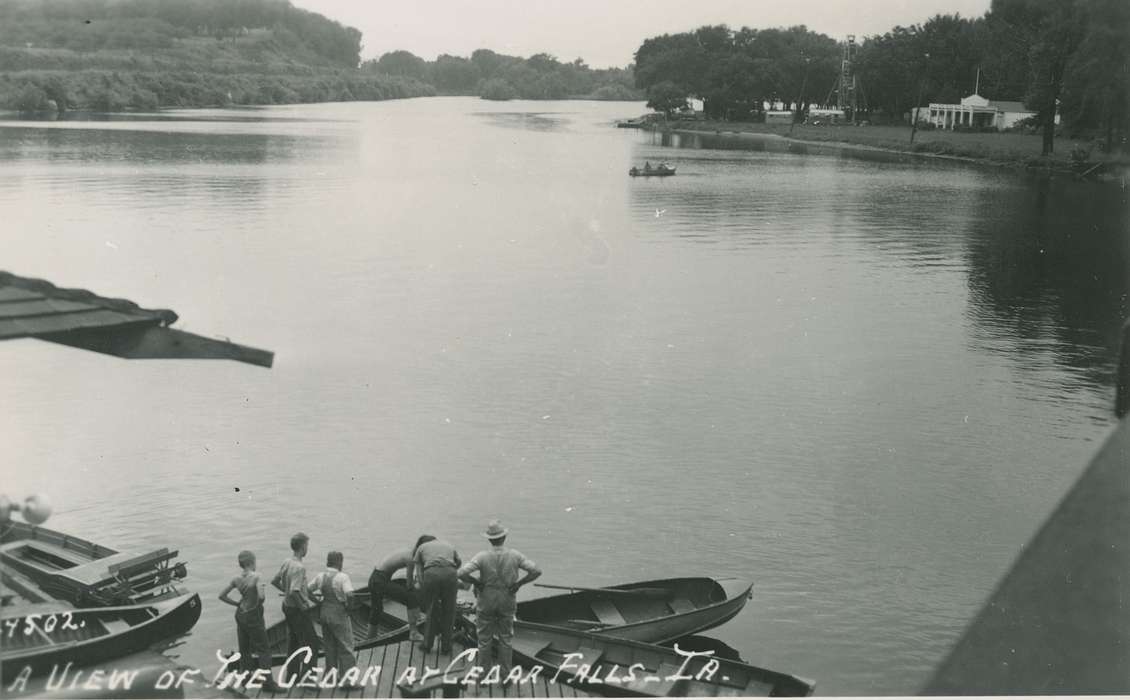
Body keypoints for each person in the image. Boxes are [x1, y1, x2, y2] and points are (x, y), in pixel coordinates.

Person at [458, 520, 541, 680]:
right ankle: (505, 675)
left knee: (484, 639)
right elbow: (536, 571)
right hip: (507, 599)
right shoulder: (515, 555)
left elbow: (461, 573)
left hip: (486, 600)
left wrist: (476, 582)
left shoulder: (482, 556)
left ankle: (483, 674)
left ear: (489, 539)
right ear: (504, 538)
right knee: (506, 639)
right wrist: (519, 584)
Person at [218, 550, 281, 693]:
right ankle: (268, 683)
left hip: (240, 614)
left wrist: (236, 604)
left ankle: (246, 679)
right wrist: (259, 596)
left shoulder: (236, 578)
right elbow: (262, 597)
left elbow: (221, 595)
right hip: (253, 616)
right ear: (251, 562)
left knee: (244, 648)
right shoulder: (257, 576)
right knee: (264, 649)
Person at [271, 532, 319, 683]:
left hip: (287, 607)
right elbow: (294, 590)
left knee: (293, 642)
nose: (307, 549)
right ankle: (308, 680)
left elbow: (275, 581)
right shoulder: (299, 567)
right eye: (307, 546)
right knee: (311, 644)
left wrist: (312, 598)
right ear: (303, 547)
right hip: (297, 611)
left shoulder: (287, 562)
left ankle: (292, 676)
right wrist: (304, 606)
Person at [309, 551, 360, 690]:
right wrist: (349, 608)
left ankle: (330, 677)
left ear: (328, 562)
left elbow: (307, 589)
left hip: (324, 612)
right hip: (338, 614)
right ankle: (348, 681)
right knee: (346, 646)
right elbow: (350, 594)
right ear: (339, 562)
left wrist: (317, 602)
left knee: (329, 646)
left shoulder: (321, 576)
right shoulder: (342, 577)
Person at [369, 537, 432, 641]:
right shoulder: (411, 558)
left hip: (374, 578)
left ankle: (371, 637)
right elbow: (409, 584)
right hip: (380, 581)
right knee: (411, 597)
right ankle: (413, 632)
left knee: (376, 609)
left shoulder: (408, 551)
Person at [412, 534, 461, 653]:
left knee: (432, 610)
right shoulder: (448, 544)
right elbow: (458, 562)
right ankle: (446, 647)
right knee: (449, 611)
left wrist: (424, 587)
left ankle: (427, 645)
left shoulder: (421, 548)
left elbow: (419, 573)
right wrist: (449, 573)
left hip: (432, 574)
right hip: (451, 573)